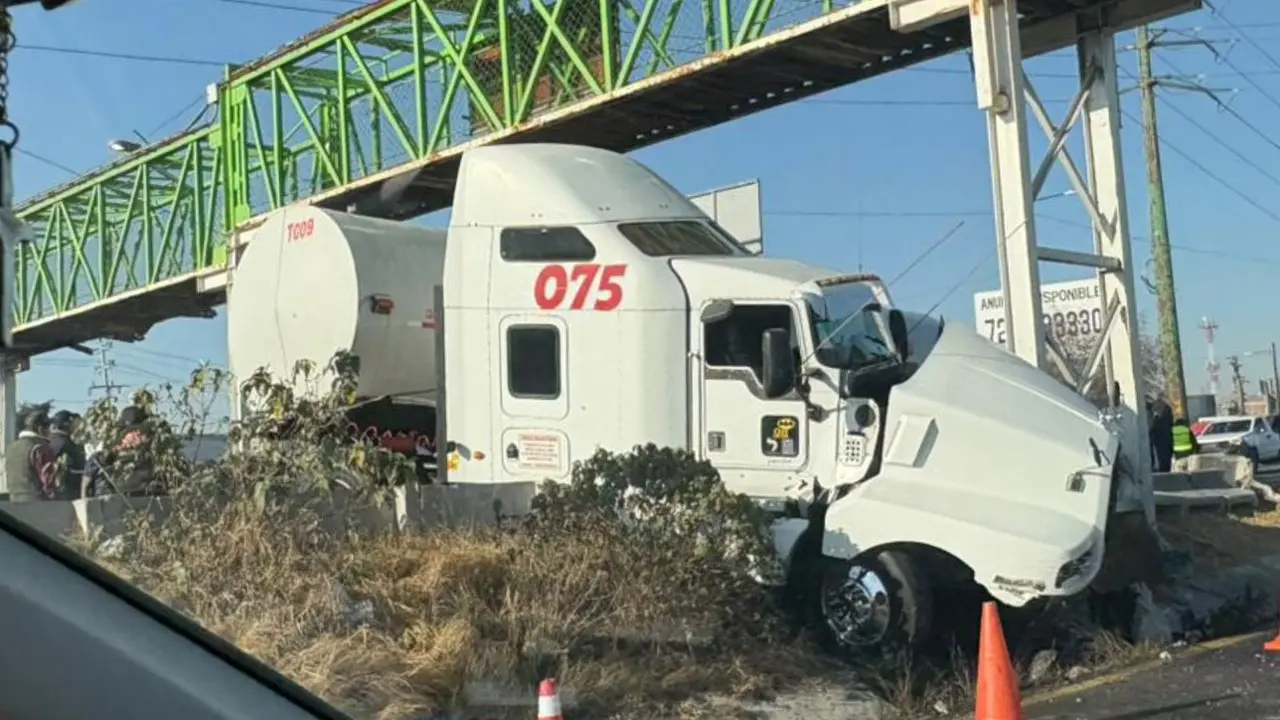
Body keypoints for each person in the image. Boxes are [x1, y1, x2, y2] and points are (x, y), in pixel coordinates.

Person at [5, 404, 58, 503]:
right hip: (37, 503)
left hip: (14, 501)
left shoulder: (11, 448)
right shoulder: (40, 448)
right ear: (40, 428)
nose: (50, 431)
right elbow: (47, 480)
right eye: (48, 427)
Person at [47, 410, 86, 500]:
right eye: (72, 422)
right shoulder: (60, 441)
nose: (75, 426)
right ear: (66, 424)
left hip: (71, 486)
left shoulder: (61, 439)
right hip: (68, 488)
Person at [1148, 392, 1174, 472]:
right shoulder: (1166, 407)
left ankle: (1157, 467)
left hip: (1157, 434)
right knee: (1165, 453)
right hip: (1166, 434)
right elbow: (1170, 422)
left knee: (1158, 452)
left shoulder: (1153, 407)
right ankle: (1165, 468)